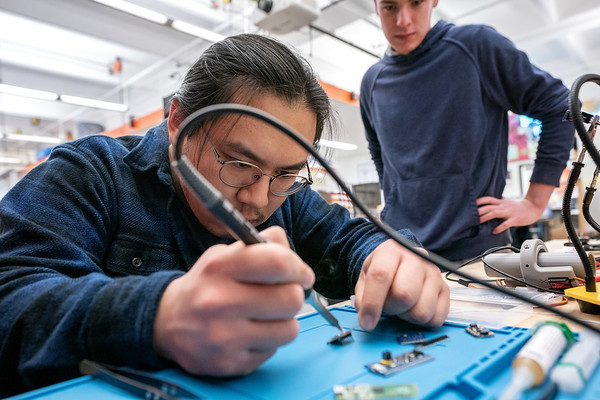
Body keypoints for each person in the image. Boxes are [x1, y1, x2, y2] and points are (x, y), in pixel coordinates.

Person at [0, 33, 449, 396]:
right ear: (178, 121)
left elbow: (348, 240)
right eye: (239, 164)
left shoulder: (285, 196)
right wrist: (158, 315)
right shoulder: (90, 173)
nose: (258, 198)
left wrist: (389, 256)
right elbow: (11, 297)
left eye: (286, 173)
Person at [360, 0, 575, 261]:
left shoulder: (475, 46)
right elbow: (379, 153)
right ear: (375, 5)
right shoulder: (372, 82)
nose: (403, 20)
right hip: (404, 254)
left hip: (479, 254)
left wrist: (534, 203)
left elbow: (559, 106)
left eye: (415, 3)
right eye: (390, 7)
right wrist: (394, 204)